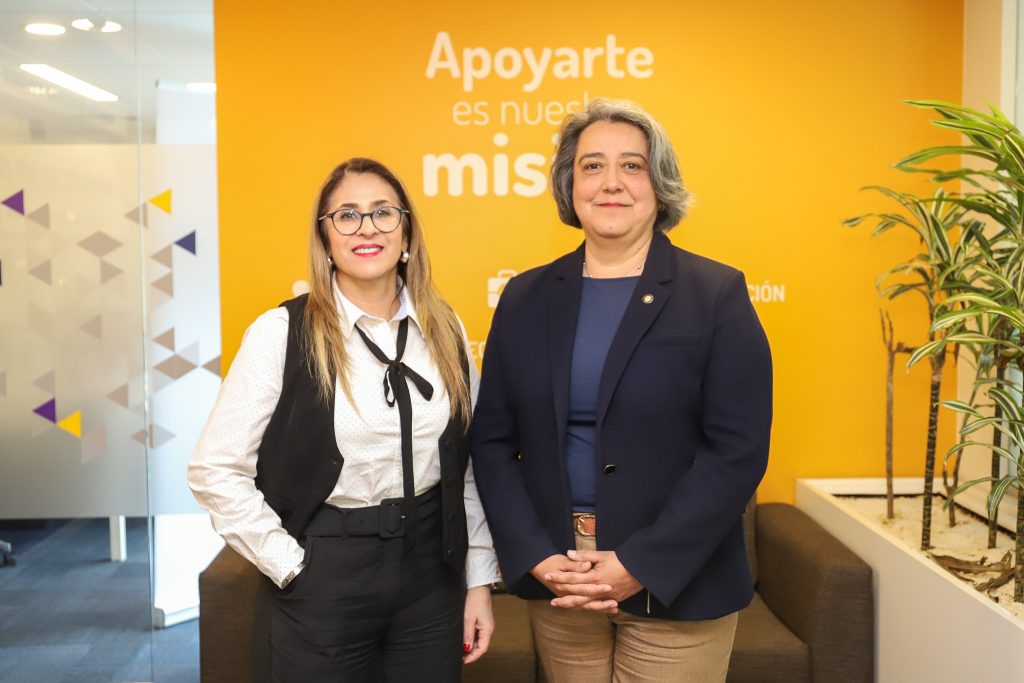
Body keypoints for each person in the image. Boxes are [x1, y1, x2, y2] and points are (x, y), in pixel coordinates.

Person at [470, 99, 773, 682]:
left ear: (659, 185)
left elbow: (737, 452)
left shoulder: (715, 294)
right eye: (592, 166)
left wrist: (641, 563)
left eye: (632, 166)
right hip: (562, 582)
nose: (611, 182)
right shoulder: (526, 297)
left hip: (678, 586)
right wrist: (535, 555)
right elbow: (492, 442)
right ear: (570, 184)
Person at [188, 158, 500, 682]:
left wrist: (478, 580)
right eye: (347, 215)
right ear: (326, 239)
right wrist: (289, 565)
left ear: (407, 233)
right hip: (322, 580)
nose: (367, 228)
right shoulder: (281, 331)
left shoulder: (444, 327)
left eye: (383, 213)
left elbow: (466, 469)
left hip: (430, 581)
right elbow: (213, 469)